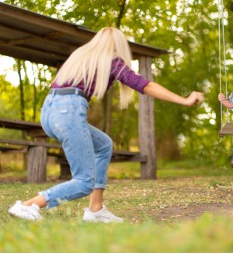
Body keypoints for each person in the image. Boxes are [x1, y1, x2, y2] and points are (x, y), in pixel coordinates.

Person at [8, 27, 204, 222]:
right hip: (69, 111)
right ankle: (28, 205)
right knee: (84, 181)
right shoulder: (111, 61)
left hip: (50, 111)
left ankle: (96, 209)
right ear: (118, 46)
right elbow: (145, 85)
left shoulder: (80, 56)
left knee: (103, 145)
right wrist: (184, 100)